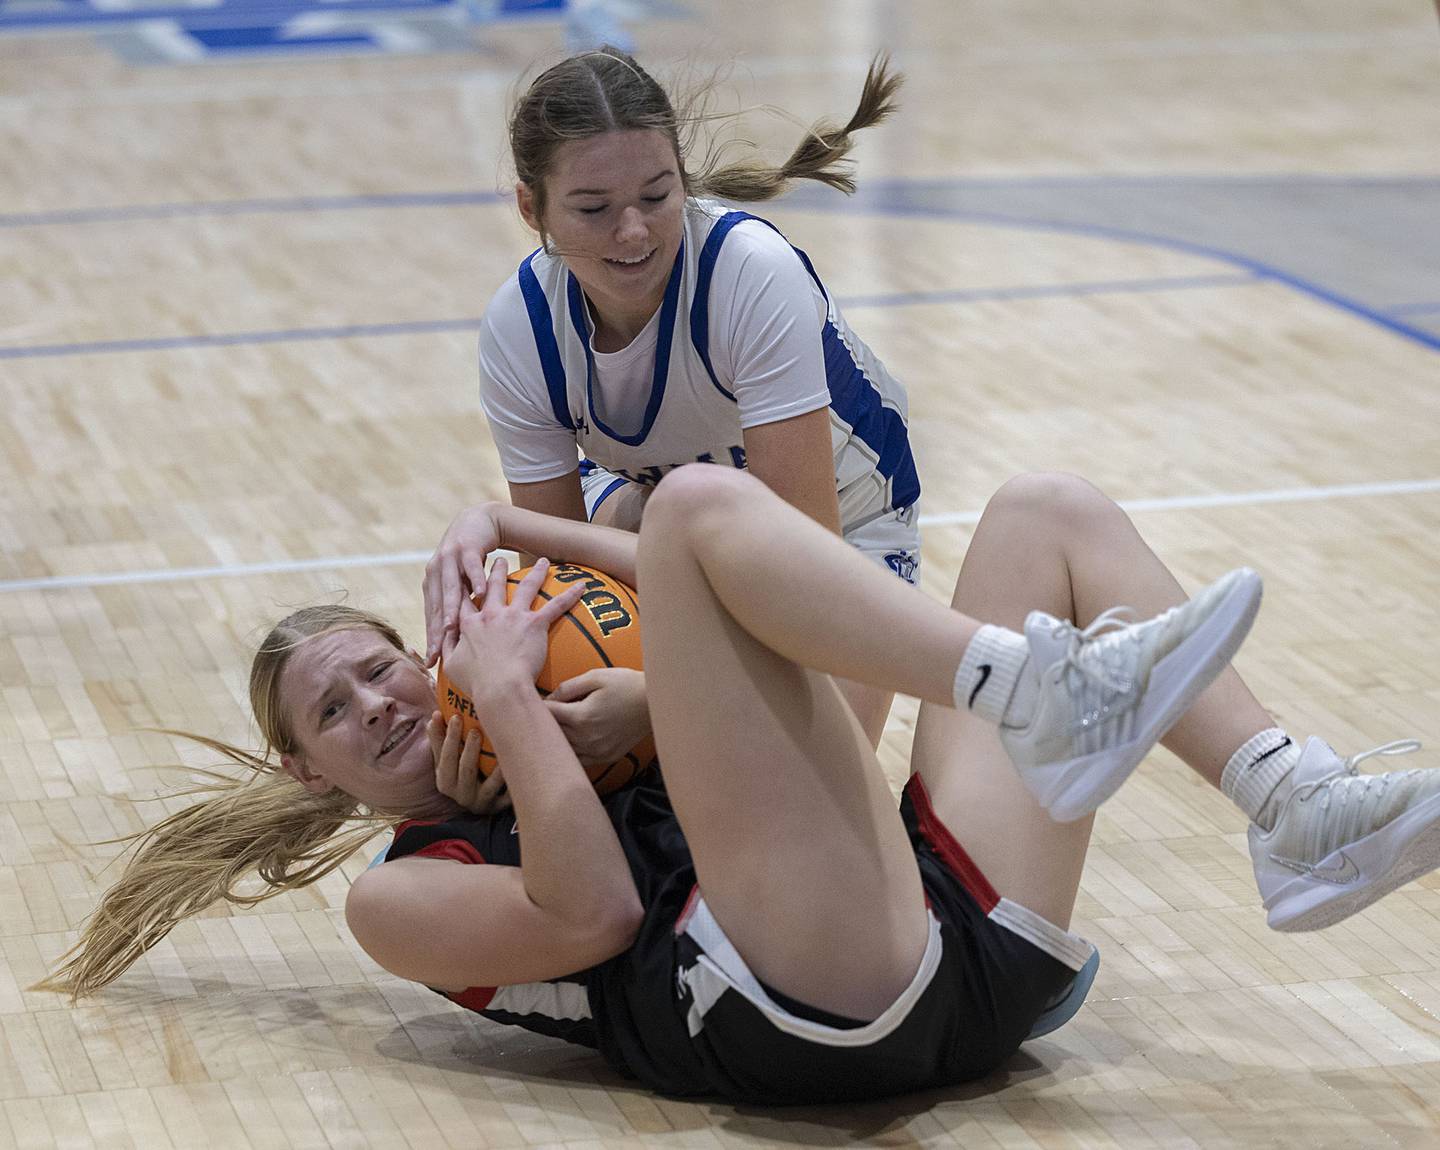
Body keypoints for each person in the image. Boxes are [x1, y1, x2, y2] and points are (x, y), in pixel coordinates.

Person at [39, 470, 1439, 1104]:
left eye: (380, 668)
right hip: (793, 1017)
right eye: (336, 714)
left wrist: (508, 524)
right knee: (693, 511)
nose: (379, 704)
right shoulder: (396, 893)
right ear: (312, 772)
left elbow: (802, 690)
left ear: (431, 649)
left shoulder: (567, 717)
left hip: (956, 956)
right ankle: (1037, 690)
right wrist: (519, 711)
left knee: (1044, 513)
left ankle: (1294, 803)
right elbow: (586, 909)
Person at [461, 46, 917, 744]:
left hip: (842, 528)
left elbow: (801, 567)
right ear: (533, 209)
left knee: (797, 772)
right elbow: (558, 579)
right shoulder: (520, 325)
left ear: (683, 178)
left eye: (656, 195)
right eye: (593, 208)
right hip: (659, 513)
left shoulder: (749, 275)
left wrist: (659, 702)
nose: (635, 231)